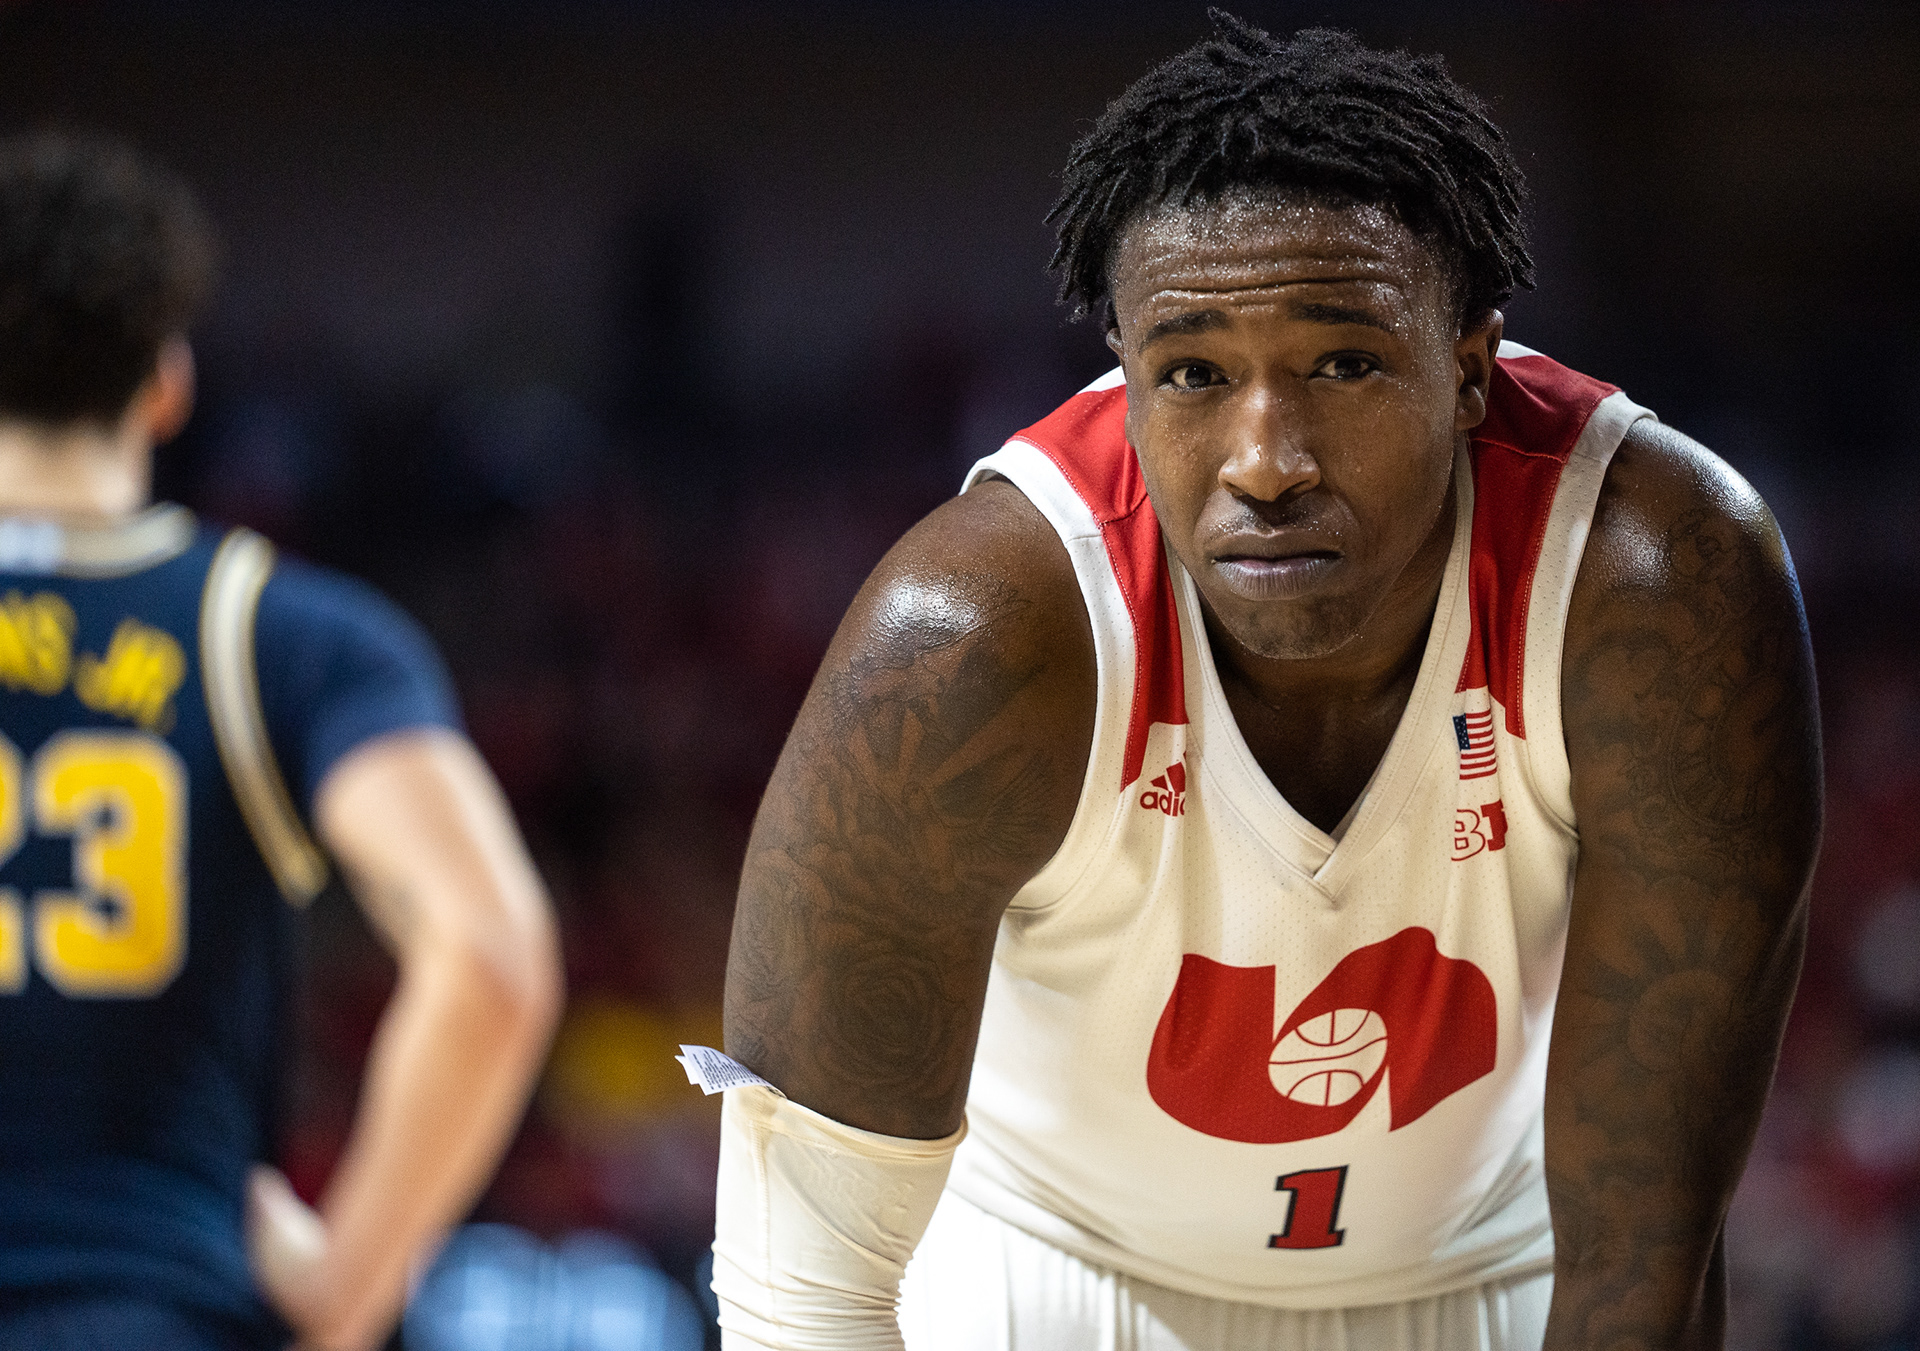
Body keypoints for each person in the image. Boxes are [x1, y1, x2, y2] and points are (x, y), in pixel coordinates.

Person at [712, 15, 1821, 1351]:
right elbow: (804, 1295)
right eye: (1192, 373)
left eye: (1342, 362)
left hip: (1501, 1278)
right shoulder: (968, 640)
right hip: (1043, 1275)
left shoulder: (1658, 584)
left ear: (1469, 367)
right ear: (1123, 384)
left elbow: (1644, 1269)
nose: (1267, 458)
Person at [0, 133, 563, 1351]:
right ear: (166, 377)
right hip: (142, 1307)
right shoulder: (278, 633)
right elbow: (490, 955)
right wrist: (347, 1296)